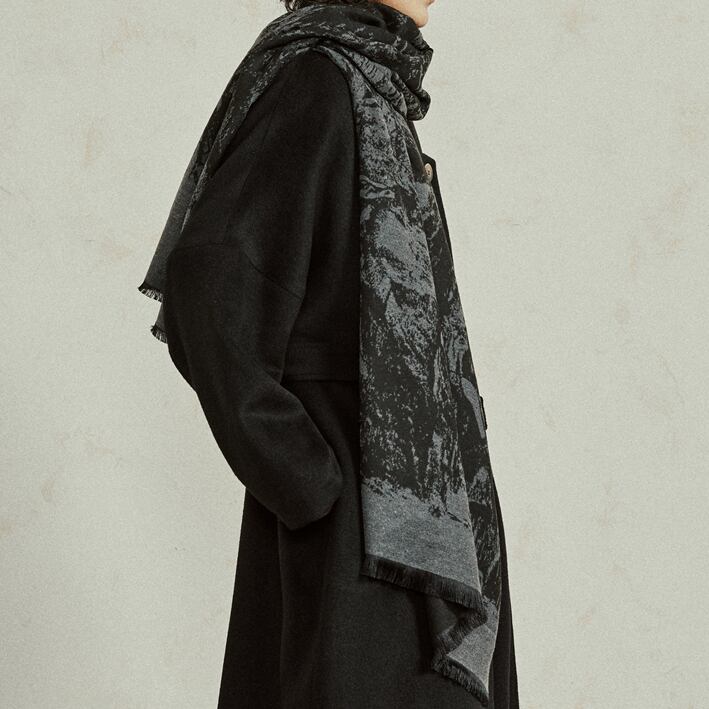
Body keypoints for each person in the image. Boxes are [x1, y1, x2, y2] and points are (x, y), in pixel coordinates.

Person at [144, 1, 519, 706]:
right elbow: (209, 284)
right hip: (358, 528)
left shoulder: (375, 92)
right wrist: (312, 483)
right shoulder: (316, 81)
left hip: (415, 511)